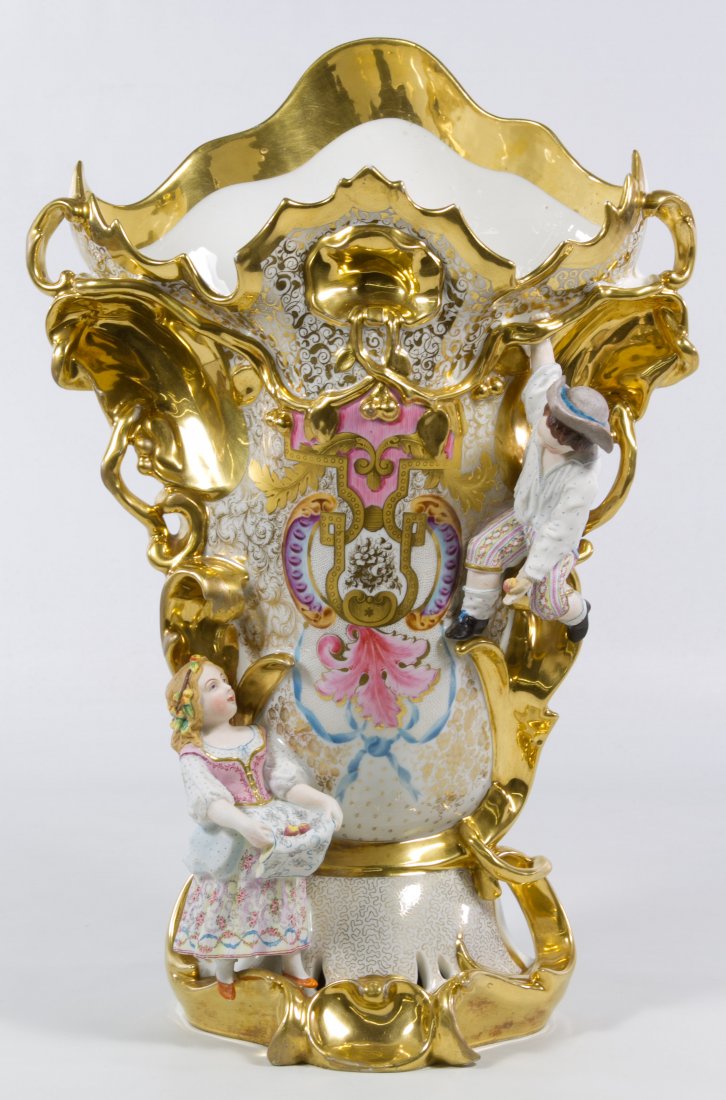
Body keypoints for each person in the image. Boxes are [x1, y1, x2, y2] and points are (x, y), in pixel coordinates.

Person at [168, 655, 343, 999]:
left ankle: (293, 964)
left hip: (272, 822)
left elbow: (283, 783)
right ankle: (224, 970)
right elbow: (210, 801)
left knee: (283, 892)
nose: (227, 688)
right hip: (234, 838)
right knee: (232, 899)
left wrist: (322, 801)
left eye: (224, 680)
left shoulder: (256, 736)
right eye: (212, 686)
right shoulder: (196, 753)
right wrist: (244, 825)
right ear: (193, 706)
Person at [446, 336, 613, 643]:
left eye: (559, 435)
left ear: (578, 441)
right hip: (524, 515)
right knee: (484, 548)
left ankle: (578, 610)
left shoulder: (581, 478)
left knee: (546, 601)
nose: (546, 434)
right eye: (549, 422)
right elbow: (544, 377)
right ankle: (475, 615)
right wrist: (540, 339)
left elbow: (558, 530)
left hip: (553, 539)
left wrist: (527, 576)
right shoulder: (544, 422)